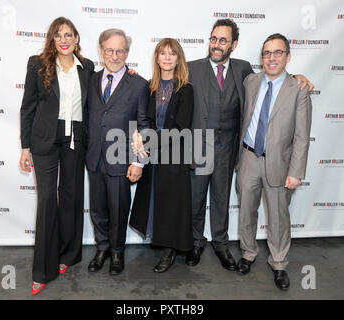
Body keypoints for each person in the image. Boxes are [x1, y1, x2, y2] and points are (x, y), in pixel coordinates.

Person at [186, 19, 313, 270]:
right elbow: (164, 80)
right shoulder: (191, 68)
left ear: (234, 44)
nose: (216, 44)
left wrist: (298, 77)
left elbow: (276, 77)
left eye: (223, 40)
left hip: (228, 149)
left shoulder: (243, 70)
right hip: (199, 147)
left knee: (222, 199)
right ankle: (195, 242)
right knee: (196, 199)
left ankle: (221, 244)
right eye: (213, 38)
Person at [19, 17, 94, 295]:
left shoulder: (87, 68)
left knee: (73, 195)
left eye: (69, 35)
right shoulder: (37, 64)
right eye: (58, 35)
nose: (64, 40)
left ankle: (68, 254)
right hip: (44, 138)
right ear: (52, 39)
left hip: (75, 137)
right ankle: (42, 269)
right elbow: (27, 106)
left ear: (76, 39)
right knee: (48, 198)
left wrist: (131, 75)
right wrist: (25, 147)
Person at [236, 33, 312, 290]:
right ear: (262, 57)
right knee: (246, 210)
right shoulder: (250, 81)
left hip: (279, 163)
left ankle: (279, 263)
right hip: (248, 156)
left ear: (288, 56)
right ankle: (247, 254)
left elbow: (302, 136)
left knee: (279, 217)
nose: (271, 58)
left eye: (278, 52)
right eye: (267, 53)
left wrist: (296, 171)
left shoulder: (298, 89)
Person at [86, 29, 149, 276]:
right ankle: (101, 248)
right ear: (101, 51)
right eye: (110, 50)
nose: (114, 56)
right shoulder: (90, 79)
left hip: (121, 160)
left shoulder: (139, 84)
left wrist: (139, 163)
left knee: (119, 210)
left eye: (120, 51)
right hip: (93, 157)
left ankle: (116, 252)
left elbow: (144, 126)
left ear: (127, 53)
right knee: (98, 209)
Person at [130, 38, 194, 273]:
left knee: (171, 204)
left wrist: (149, 140)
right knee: (156, 200)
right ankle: (161, 241)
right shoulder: (150, 86)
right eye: (162, 53)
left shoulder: (186, 88)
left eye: (172, 54)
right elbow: (144, 118)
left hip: (174, 157)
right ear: (157, 58)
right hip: (153, 157)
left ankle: (169, 250)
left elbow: (180, 128)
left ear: (179, 58)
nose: (167, 58)